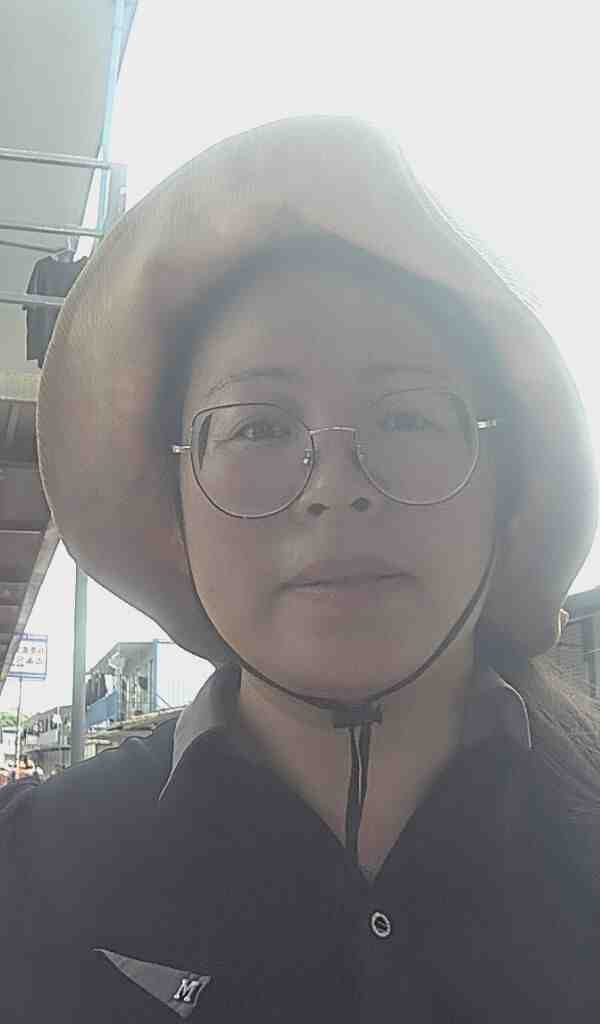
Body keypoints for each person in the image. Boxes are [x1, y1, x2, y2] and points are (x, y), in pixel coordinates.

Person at [1, 116, 599, 1022]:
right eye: (258, 427)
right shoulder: (29, 875)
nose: (336, 488)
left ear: (507, 483)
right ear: (175, 498)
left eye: (407, 418)